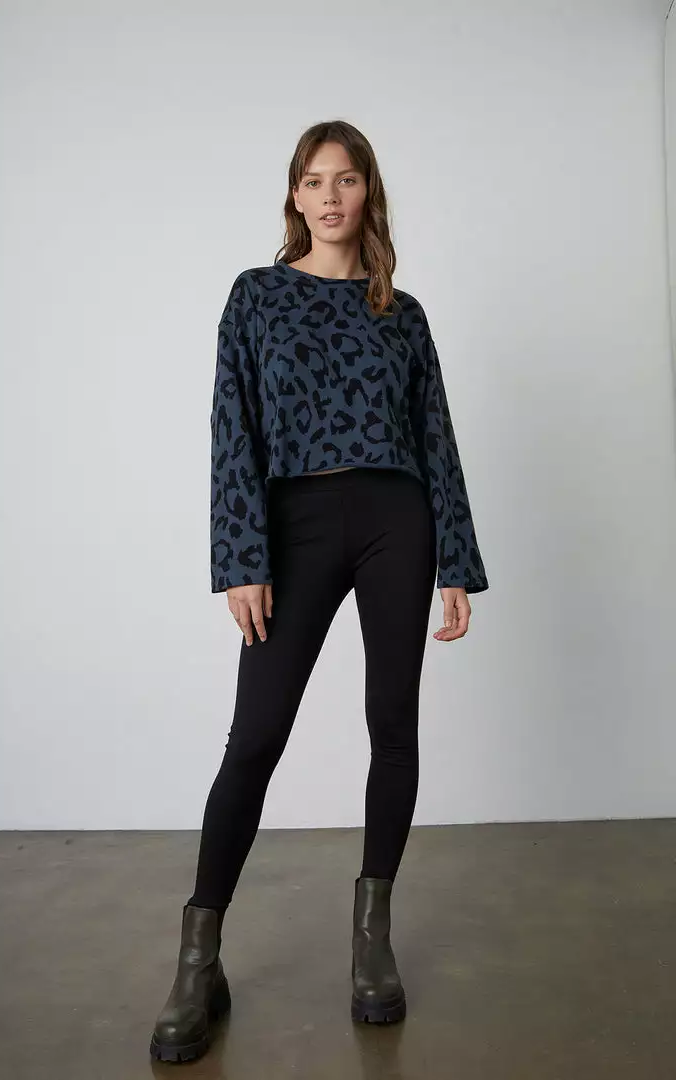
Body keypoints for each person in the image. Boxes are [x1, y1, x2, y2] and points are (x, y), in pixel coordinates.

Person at [149, 119, 489, 1064]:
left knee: (393, 723)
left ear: (367, 192)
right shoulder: (256, 296)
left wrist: (457, 563)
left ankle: (372, 939)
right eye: (313, 180)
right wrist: (240, 557)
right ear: (294, 196)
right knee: (256, 736)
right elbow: (232, 426)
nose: (330, 196)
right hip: (292, 527)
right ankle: (197, 958)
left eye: (346, 180)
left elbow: (436, 436)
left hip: (396, 522)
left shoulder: (401, 312)